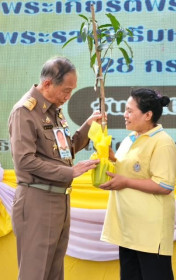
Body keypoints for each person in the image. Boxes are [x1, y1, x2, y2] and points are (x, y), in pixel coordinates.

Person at [8, 56, 101, 280]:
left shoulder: (54, 111)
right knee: (35, 272)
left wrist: (88, 126)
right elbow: (25, 160)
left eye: (72, 91)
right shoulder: (25, 111)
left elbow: (65, 151)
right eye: (66, 91)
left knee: (54, 273)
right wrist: (70, 172)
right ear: (48, 83)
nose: (68, 97)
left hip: (59, 200)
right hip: (37, 199)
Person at [99, 88, 176, 280]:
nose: (124, 115)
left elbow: (164, 186)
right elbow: (130, 170)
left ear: (148, 115)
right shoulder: (129, 139)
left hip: (150, 234)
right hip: (128, 230)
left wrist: (125, 182)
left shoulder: (163, 142)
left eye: (129, 111)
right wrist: (112, 160)